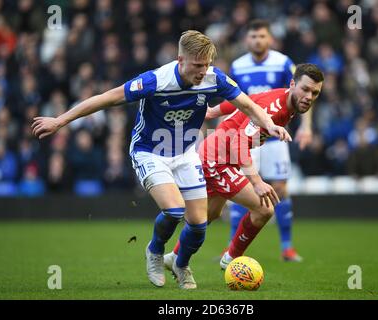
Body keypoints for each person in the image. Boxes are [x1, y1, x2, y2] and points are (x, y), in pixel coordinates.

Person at [31, 30, 291, 289]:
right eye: (197, 65)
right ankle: (155, 251)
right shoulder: (156, 80)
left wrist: (271, 125)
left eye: (207, 65)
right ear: (180, 60)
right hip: (149, 151)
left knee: (199, 224)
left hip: (186, 153)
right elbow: (106, 99)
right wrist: (60, 120)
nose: (202, 71)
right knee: (175, 209)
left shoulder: (214, 78)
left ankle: (181, 264)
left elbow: (248, 105)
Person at [163, 63, 324, 270]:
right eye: (305, 89)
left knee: (207, 215)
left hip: (220, 154)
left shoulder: (284, 97)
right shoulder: (276, 109)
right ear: (292, 84)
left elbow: (248, 101)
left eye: (315, 93)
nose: (309, 96)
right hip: (218, 159)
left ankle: (173, 257)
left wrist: (213, 112)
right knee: (265, 209)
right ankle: (231, 261)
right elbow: (239, 141)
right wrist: (256, 182)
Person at [227, 19, 313, 262]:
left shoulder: (283, 62)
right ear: (247, 40)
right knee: (239, 188)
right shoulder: (238, 66)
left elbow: (303, 92)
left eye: (262, 36)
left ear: (270, 39)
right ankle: (232, 248)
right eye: (253, 37)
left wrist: (306, 126)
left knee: (281, 188)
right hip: (247, 137)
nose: (257, 41)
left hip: (274, 137)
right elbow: (231, 98)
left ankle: (287, 247)